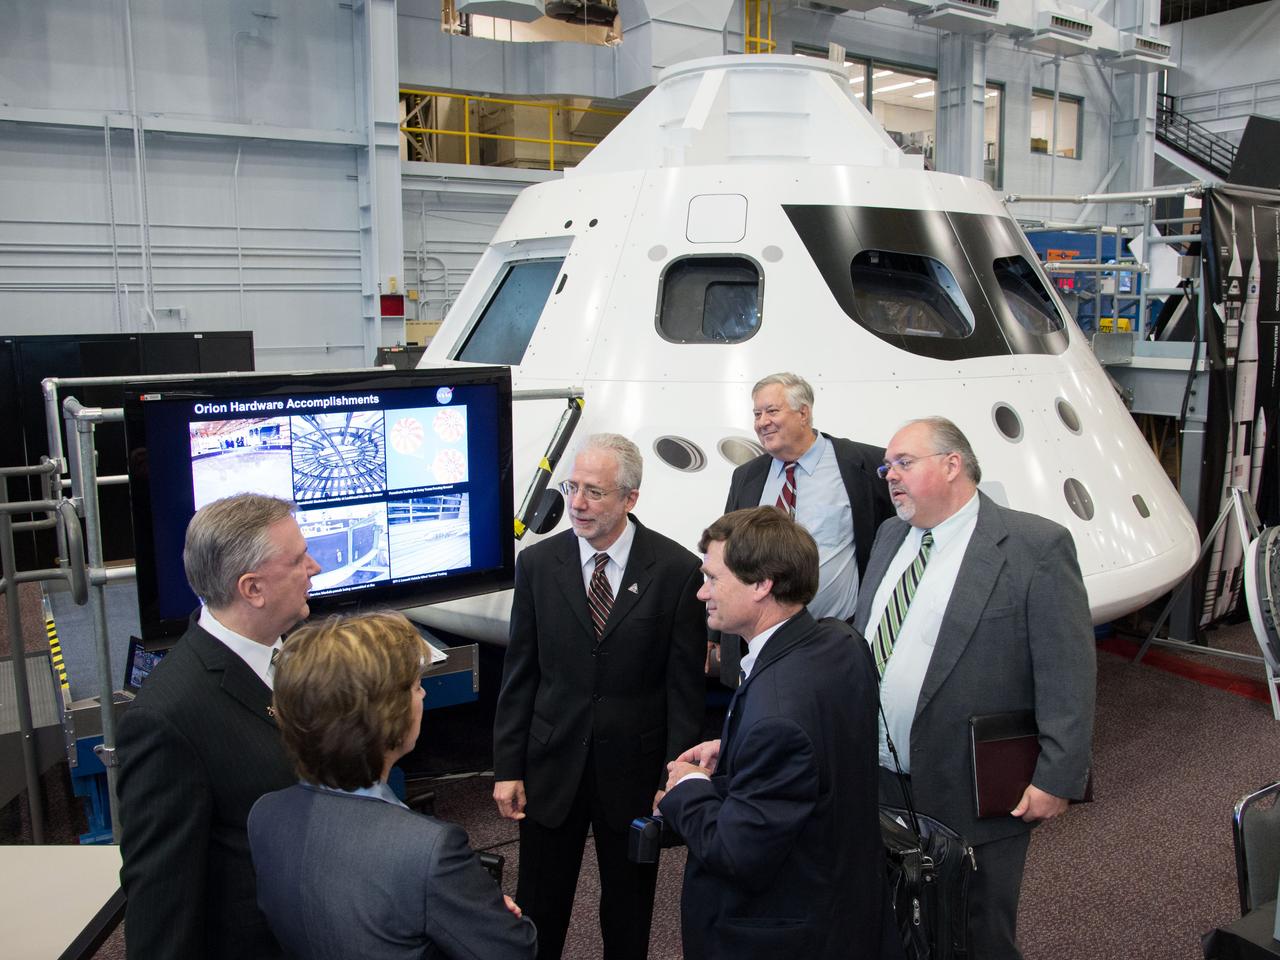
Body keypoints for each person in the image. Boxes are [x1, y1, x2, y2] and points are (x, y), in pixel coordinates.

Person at [853, 416, 1096, 960]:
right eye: (886, 466)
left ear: (952, 464)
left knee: (975, 928)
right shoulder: (891, 535)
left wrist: (1058, 775)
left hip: (972, 783)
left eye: (903, 463)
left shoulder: (1035, 545)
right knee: (892, 921)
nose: (888, 475)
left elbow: (1067, 668)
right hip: (878, 775)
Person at [492, 433, 705, 960]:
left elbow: (685, 692)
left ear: (630, 498)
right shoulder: (539, 566)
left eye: (594, 492)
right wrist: (506, 767)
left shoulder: (676, 572)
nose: (578, 504)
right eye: (572, 488)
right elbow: (520, 675)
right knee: (540, 906)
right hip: (550, 767)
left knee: (628, 913)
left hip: (634, 777)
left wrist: (672, 779)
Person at [657, 506, 901, 960]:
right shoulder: (840, 642)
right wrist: (733, 750)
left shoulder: (777, 716)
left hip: (785, 934)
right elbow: (819, 757)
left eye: (713, 578)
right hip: (849, 907)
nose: (700, 592)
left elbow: (736, 853)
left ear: (761, 584)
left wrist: (686, 789)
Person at [248, 611, 538, 960]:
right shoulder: (429, 849)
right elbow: (515, 950)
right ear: (388, 716)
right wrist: (492, 913)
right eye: (416, 686)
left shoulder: (265, 813)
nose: (424, 694)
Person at [117, 493, 322, 960]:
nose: (314, 567)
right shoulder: (166, 720)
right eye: (297, 560)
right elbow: (162, 899)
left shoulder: (285, 648)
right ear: (252, 589)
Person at [717, 372, 894, 685]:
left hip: (837, 639)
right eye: (757, 414)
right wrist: (716, 633)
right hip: (760, 645)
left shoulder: (863, 464)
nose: (762, 422)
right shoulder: (746, 477)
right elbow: (726, 555)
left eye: (772, 411)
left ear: (804, 412)